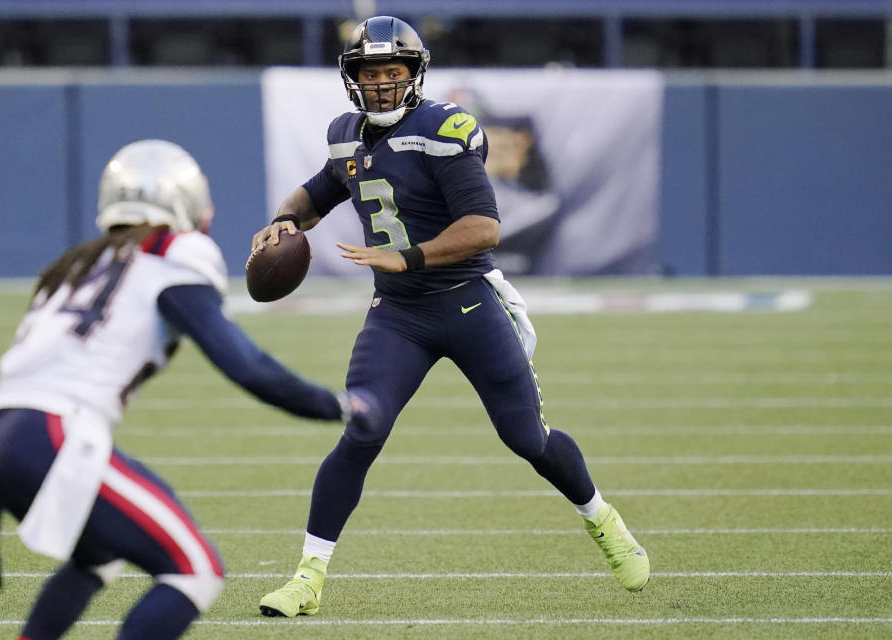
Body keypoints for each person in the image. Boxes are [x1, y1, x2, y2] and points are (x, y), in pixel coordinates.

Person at [253, 16, 650, 619]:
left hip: (467, 301)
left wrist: (405, 256)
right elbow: (317, 191)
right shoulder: (345, 134)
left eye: (393, 71)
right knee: (362, 429)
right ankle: (308, 577)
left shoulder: (446, 129)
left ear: (415, 74)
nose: (381, 83)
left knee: (526, 438)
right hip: (399, 315)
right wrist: (286, 219)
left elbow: (483, 227)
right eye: (369, 71)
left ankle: (602, 517)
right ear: (351, 76)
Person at [0, 139, 357, 640]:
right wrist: (336, 405)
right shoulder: (176, 254)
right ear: (186, 205)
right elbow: (246, 366)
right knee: (195, 569)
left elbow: (13, 405)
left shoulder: (77, 266)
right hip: (54, 435)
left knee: (96, 557)